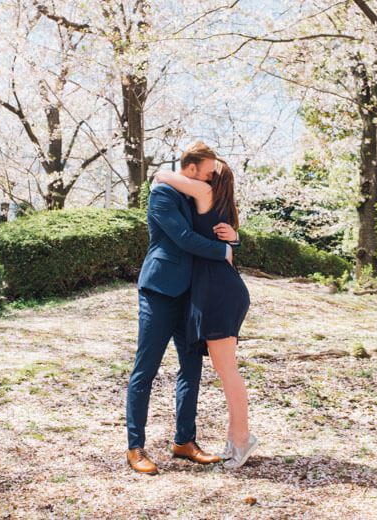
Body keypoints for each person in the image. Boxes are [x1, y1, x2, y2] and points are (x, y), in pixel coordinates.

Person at [125, 141, 240, 475]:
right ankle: (135, 448)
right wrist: (224, 254)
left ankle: (184, 441)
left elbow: (215, 229)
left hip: (192, 295)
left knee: (191, 368)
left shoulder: (196, 195)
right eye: (207, 172)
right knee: (145, 369)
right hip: (160, 291)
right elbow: (184, 239)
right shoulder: (162, 195)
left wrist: (233, 240)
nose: (209, 178)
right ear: (191, 168)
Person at [153, 157, 256, 470]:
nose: (209, 172)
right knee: (226, 370)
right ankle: (235, 437)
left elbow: (161, 175)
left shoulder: (204, 191)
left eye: (213, 170)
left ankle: (241, 439)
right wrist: (233, 242)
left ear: (215, 178)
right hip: (217, 290)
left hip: (219, 293)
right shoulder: (221, 201)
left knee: (227, 370)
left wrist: (163, 171)